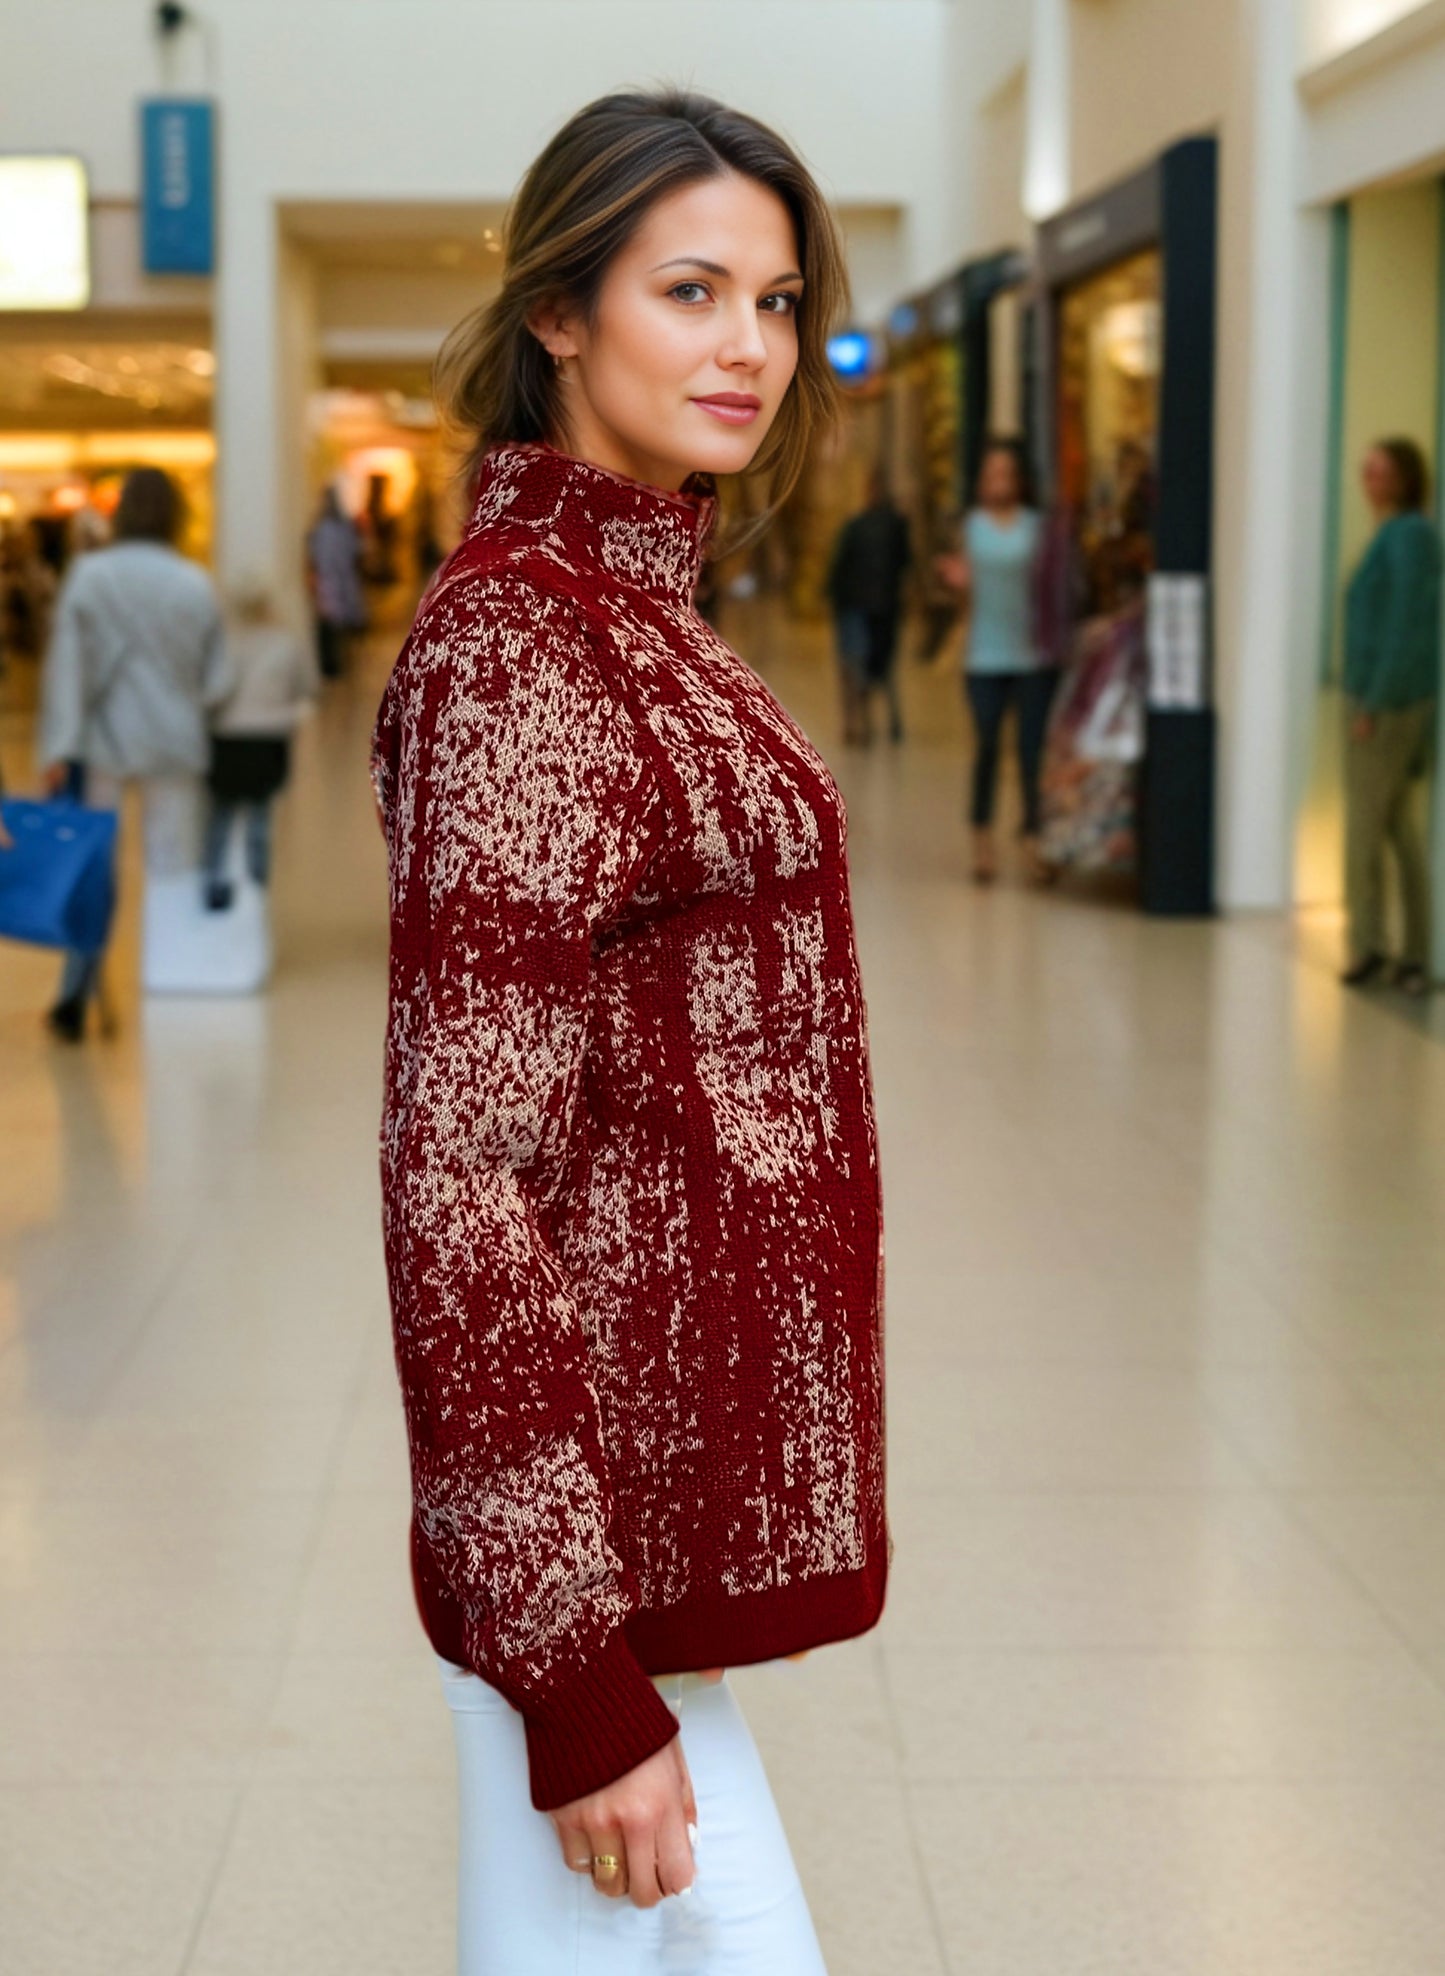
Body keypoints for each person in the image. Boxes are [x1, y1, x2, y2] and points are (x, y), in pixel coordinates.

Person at [371, 87, 888, 1972]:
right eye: (690, 290)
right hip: (580, 1580)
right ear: (558, 316)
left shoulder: (637, 607)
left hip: (628, 1562)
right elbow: (458, 1173)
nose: (748, 345)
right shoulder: (527, 642)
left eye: (776, 300)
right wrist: (573, 1674)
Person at [37, 467, 228, 1041]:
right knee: (173, 864)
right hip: (175, 743)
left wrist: (58, 746)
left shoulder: (91, 577)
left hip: (105, 743)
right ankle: (173, 980)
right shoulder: (194, 583)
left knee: (93, 866)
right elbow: (218, 679)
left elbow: (67, 669)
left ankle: (77, 991)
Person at [1341, 437, 1442, 996]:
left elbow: (1406, 627)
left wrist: (1373, 703)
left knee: (1365, 832)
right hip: (1382, 697)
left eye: (1378, 471)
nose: (1369, 481)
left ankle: (1372, 946)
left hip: (1389, 703)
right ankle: (1407, 953)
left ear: (1405, 477)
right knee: (1397, 826)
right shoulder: (1395, 533)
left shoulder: (1410, 536)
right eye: (1366, 471)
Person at [938, 438, 1057, 884]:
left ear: (1021, 480)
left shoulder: (1038, 528)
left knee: (1030, 752)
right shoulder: (969, 528)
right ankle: (982, 838)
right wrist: (954, 583)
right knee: (987, 746)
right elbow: (958, 596)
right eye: (990, 473)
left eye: (1005, 473)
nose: (997, 482)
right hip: (983, 656)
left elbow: (1052, 588)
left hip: (1032, 656)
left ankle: (1033, 837)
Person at [201, 575, 319, 912]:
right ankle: (257, 882)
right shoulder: (287, 643)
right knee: (260, 813)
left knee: (221, 813)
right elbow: (307, 687)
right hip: (269, 737)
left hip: (226, 736)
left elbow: (212, 690)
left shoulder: (224, 642)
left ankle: (215, 881)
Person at [825, 468, 911, 744]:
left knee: (855, 666)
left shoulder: (860, 526)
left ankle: (859, 723)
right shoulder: (894, 526)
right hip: (874, 607)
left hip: (858, 606)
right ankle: (869, 723)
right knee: (872, 668)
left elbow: (839, 567)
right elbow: (905, 565)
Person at [305, 487, 365, 679]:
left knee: (340, 623)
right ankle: (331, 665)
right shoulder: (325, 528)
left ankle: (340, 663)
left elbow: (353, 552)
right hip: (330, 581)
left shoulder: (340, 528)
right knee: (330, 623)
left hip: (339, 580)